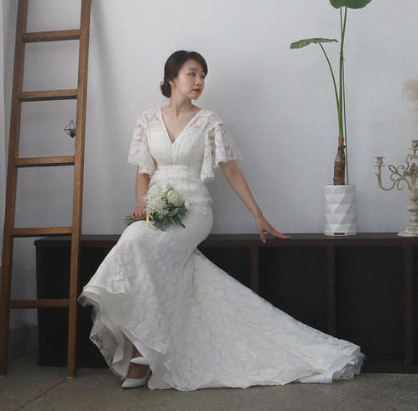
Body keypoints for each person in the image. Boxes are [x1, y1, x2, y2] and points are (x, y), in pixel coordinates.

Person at [79, 50, 364, 390]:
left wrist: (258, 215)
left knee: (139, 244)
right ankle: (142, 348)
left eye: (203, 75)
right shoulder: (147, 121)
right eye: (192, 73)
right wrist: (142, 207)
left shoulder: (209, 122)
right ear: (172, 78)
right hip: (156, 209)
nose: (199, 81)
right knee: (134, 240)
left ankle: (141, 353)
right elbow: (143, 173)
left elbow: (231, 171)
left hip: (194, 209)